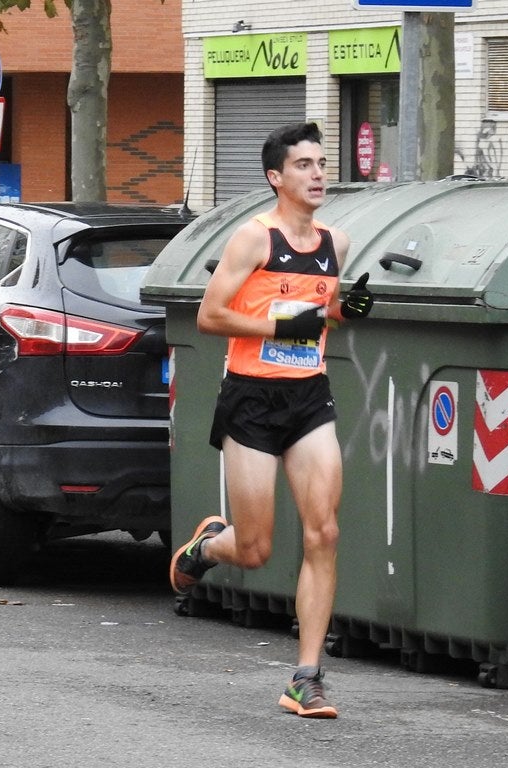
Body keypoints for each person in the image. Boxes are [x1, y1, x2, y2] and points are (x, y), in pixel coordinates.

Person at [168, 122, 374, 719]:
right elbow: (210, 316)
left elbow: (325, 312)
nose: (317, 175)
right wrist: (281, 327)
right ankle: (209, 548)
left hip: (309, 396)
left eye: (321, 163)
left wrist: (345, 309)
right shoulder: (252, 240)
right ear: (275, 178)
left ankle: (306, 677)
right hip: (252, 398)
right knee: (255, 548)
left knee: (324, 532)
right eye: (304, 165)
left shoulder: (338, 241)